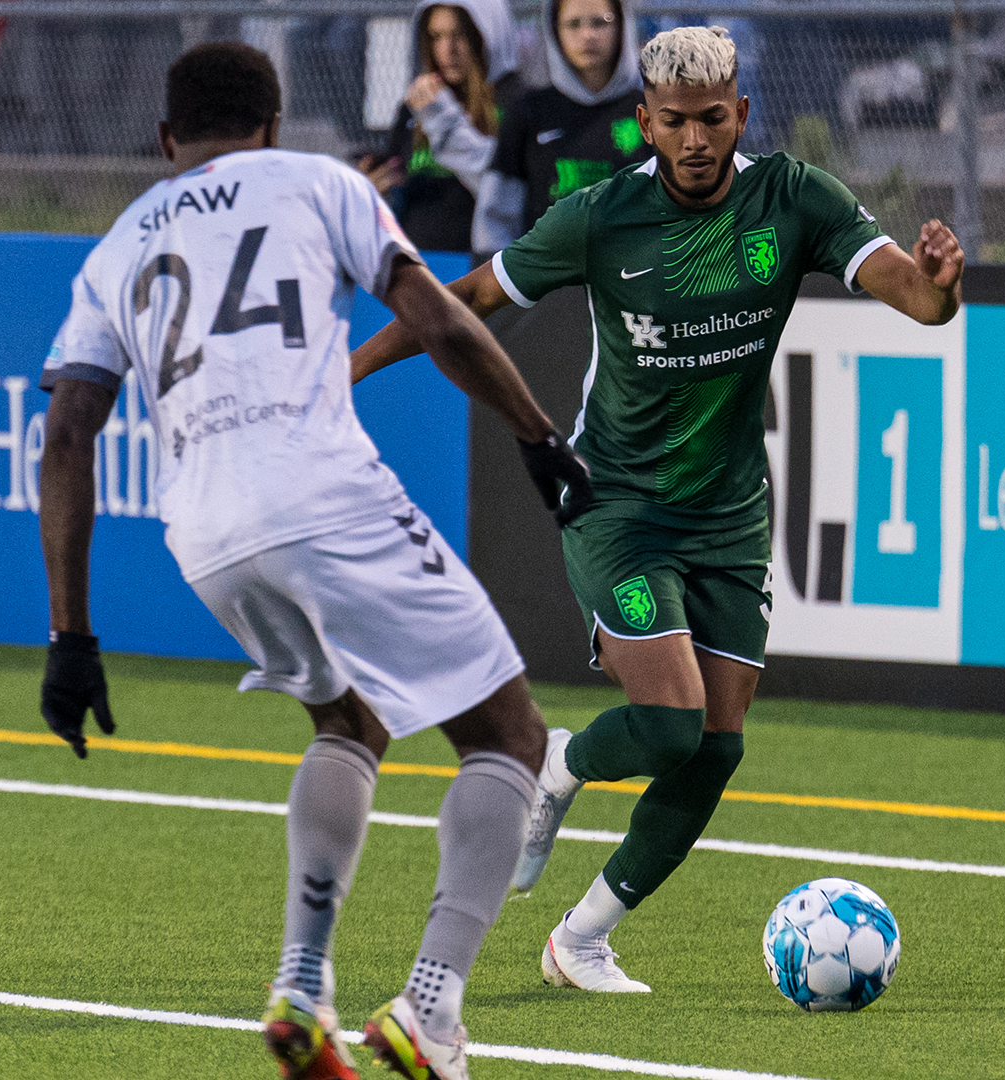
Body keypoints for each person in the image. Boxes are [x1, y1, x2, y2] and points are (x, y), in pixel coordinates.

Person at [350, 26, 963, 994]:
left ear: (740, 116)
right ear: (645, 120)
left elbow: (918, 303)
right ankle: (558, 765)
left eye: (711, 120)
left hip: (732, 513)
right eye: (673, 122)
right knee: (672, 726)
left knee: (718, 748)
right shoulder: (598, 217)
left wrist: (936, 288)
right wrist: (349, 369)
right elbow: (467, 297)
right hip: (617, 503)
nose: (693, 139)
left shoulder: (795, 197)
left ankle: (582, 940)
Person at [35, 42, 593, 1079]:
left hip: (204, 532)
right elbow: (437, 319)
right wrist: (538, 435)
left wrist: (70, 635)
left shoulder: (116, 247)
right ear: (275, 125)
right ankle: (431, 1009)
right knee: (511, 735)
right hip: (319, 493)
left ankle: (303, 983)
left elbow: (68, 434)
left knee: (349, 719)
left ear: (168, 142)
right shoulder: (320, 182)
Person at [475, 0, 646, 255]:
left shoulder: (649, 109)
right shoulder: (528, 110)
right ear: (554, 30)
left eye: (600, 22)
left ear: (622, 25)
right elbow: (497, 214)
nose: (587, 35)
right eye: (573, 24)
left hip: (631, 278)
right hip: (548, 283)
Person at [360, 0, 522, 254]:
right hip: (421, 261)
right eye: (436, 37)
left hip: (484, 264)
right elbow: (400, 184)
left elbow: (503, 191)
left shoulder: (517, 105)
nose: (448, 49)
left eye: (460, 35)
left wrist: (444, 121)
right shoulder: (416, 104)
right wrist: (374, 189)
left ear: (487, 34)